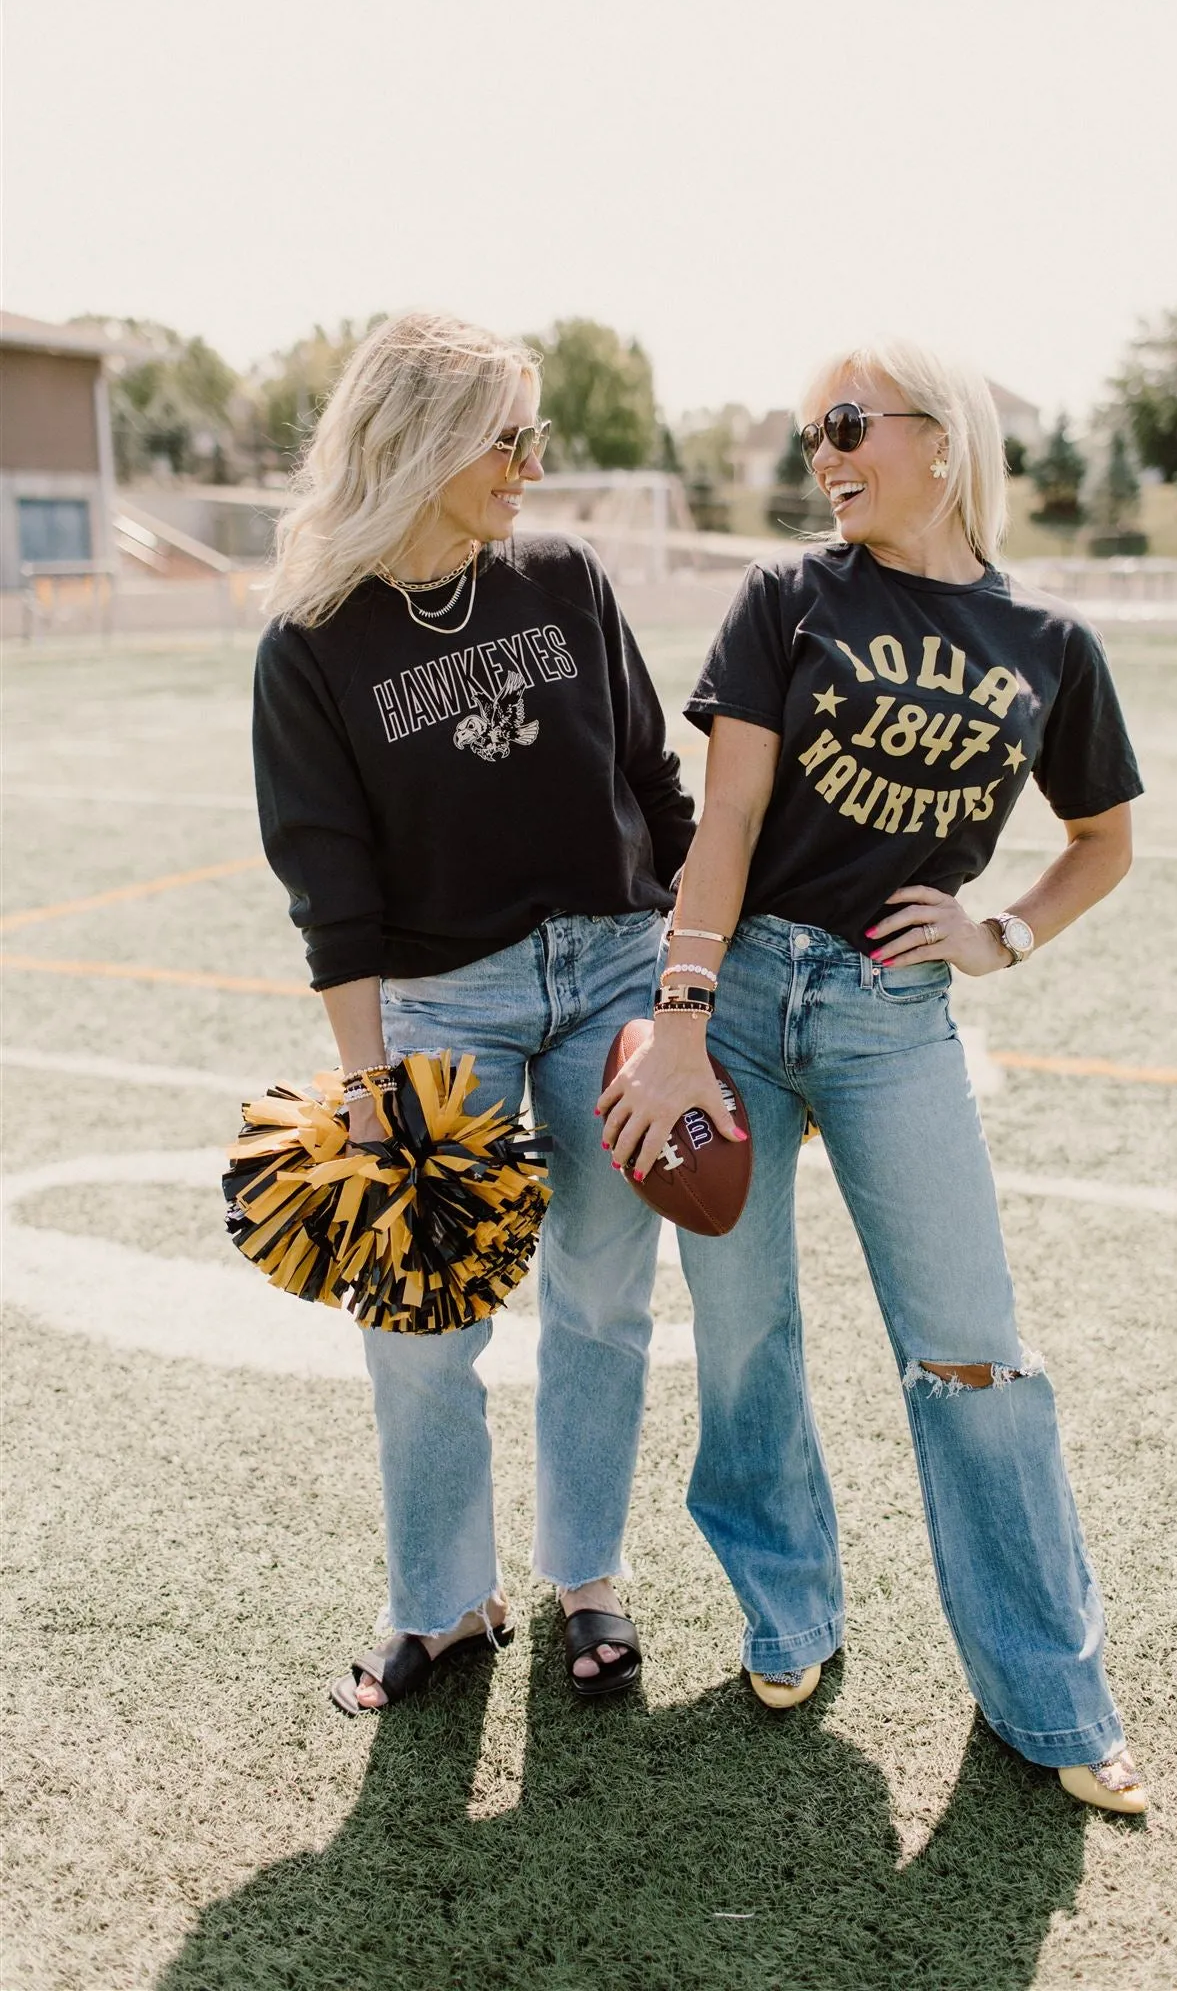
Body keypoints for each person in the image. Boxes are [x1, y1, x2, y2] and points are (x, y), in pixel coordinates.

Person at [598, 338, 1149, 1813]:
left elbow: (1105, 839)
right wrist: (683, 1016)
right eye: (806, 434)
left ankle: (1050, 1692)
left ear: (942, 436)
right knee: (743, 1332)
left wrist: (1004, 934)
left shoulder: (1051, 640)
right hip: (744, 994)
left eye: (844, 424)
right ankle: (789, 1614)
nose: (822, 454)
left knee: (976, 1356)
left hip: (899, 1016)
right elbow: (725, 823)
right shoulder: (790, 597)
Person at [254, 311, 693, 1709]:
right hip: (447, 1002)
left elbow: (655, 786)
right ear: (423, 441)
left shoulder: (564, 580)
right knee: (417, 1315)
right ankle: (444, 1605)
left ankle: (588, 1582)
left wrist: (694, 983)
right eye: (507, 436)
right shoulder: (313, 644)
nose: (531, 461)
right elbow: (330, 888)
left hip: (616, 975)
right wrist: (369, 1083)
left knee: (605, 1297)